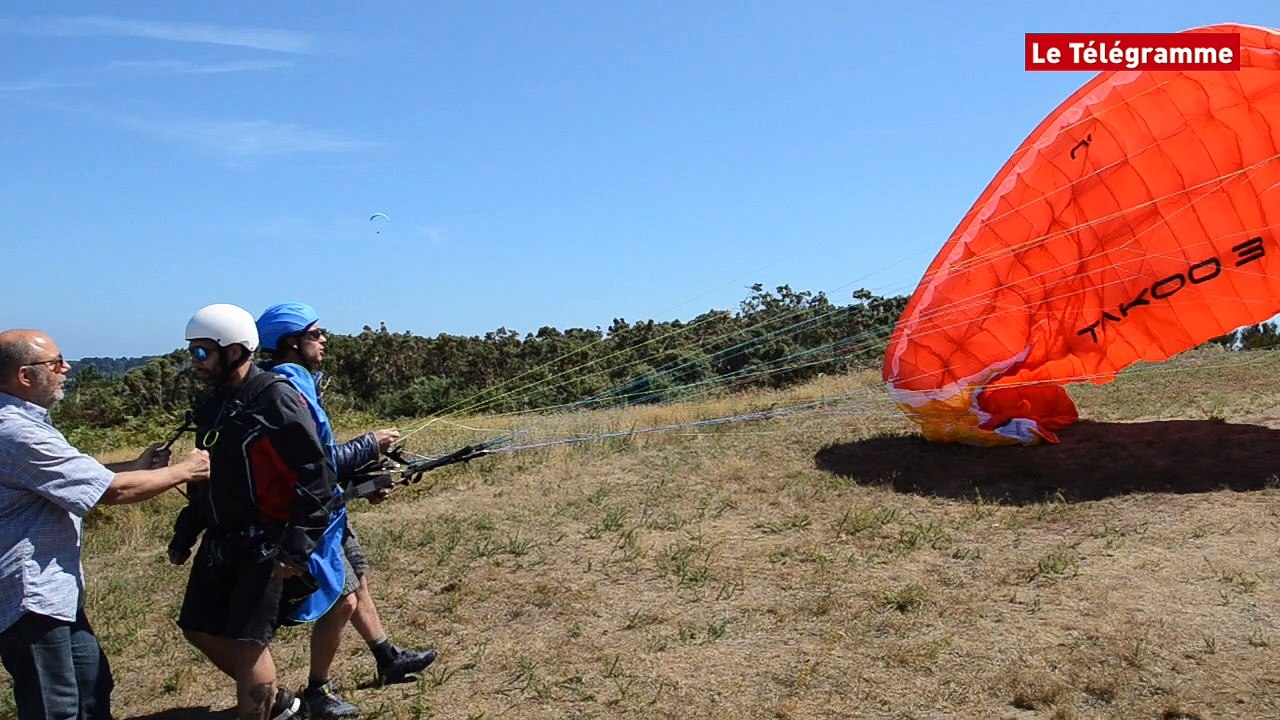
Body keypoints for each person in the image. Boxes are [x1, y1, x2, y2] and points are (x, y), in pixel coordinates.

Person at [0, 328, 210, 720]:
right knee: (54, 706)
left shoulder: (26, 423)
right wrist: (187, 470)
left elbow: (73, 477)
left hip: (55, 594)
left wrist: (135, 467)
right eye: (55, 363)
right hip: (31, 597)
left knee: (92, 687)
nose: (66, 368)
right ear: (25, 376)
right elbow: (109, 493)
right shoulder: (16, 432)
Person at [255, 302, 438, 719]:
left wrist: (359, 482)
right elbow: (314, 464)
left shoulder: (297, 383)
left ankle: (387, 657)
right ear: (291, 342)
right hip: (309, 518)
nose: (323, 341)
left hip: (329, 511)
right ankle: (318, 689)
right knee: (343, 600)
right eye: (316, 334)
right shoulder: (285, 392)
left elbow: (313, 459)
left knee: (359, 584)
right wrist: (370, 445)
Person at [171, 304, 336, 720]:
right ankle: (278, 702)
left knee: (248, 644)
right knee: (199, 629)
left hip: (265, 541)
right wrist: (186, 531)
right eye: (193, 352)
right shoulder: (215, 405)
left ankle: (261, 703)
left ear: (236, 351)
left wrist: (296, 548)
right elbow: (208, 476)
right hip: (222, 538)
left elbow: (315, 475)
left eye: (203, 353)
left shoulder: (274, 399)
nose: (196, 363)